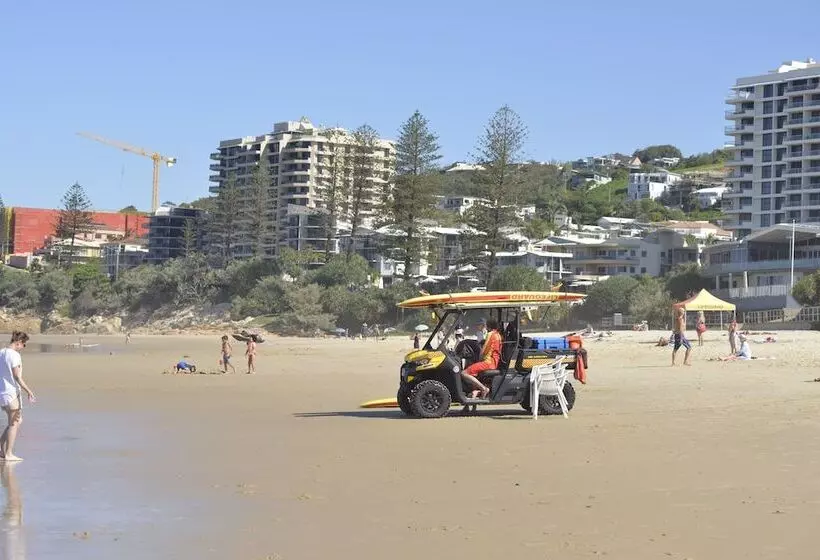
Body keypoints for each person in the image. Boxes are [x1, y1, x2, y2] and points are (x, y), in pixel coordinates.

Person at [0, 332, 35, 462]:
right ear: (19, 342)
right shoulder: (14, 355)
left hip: (2, 392)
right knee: (14, 423)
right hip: (11, 393)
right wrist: (29, 391)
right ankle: (8, 453)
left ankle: (1, 447)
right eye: (24, 345)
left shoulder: (1, 352)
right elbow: (17, 377)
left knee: (16, 421)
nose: (23, 347)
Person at [461, 318, 502, 399]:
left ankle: (483, 389)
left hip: (488, 362)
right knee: (474, 371)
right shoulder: (498, 335)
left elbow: (484, 350)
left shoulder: (490, 334)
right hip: (493, 362)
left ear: (489, 326)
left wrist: (479, 359)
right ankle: (476, 391)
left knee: (464, 373)